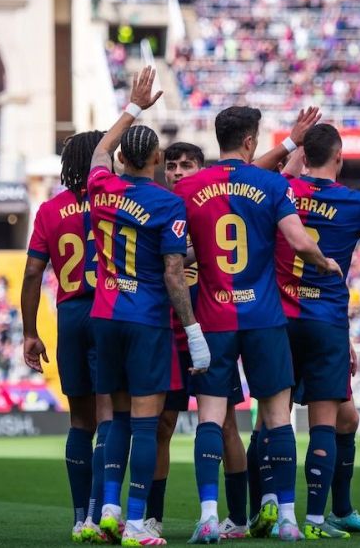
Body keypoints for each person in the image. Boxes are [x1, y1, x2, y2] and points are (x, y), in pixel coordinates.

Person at [174, 105, 342, 543]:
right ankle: (287, 517)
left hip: (214, 317)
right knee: (277, 419)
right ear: (250, 140)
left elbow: (179, 252)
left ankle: (209, 516)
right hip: (265, 319)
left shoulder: (190, 186)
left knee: (210, 419)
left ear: (219, 138)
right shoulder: (271, 183)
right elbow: (297, 238)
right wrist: (322, 262)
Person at [272, 124, 360, 538]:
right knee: (324, 422)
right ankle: (316, 521)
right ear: (339, 157)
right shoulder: (353, 202)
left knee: (300, 420)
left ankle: (301, 511)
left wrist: (291, 159)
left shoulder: (280, 192)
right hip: (324, 323)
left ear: (304, 154)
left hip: (278, 320)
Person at [89, 67, 211, 547]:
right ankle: (138, 524)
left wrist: (133, 107)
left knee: (116, 419)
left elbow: (99, 150)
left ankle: (111, 510)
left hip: (105, 314)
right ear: (159, 158)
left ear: (121, 159)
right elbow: (173, 273)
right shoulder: (166, 204)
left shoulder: (101, 185)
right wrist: (194, 331)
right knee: (145, 422)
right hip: (146, 320)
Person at [144, 141, 249, 541]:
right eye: (171, 166)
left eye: (187, 165)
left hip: (210, 332)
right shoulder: (155, 209)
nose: (178, 172)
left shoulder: (211, 210)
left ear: (201, 170)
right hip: (168, 336)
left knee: (225, 425)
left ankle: (236, 517)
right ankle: (154, 516)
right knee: (162, 427)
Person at [22, 129, 114, 543]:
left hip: (70, 313)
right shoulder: (115, 201)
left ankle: (80, 518)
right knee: (111, 417)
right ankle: (101, 514)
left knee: (80, 422)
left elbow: (31, 274)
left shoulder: (49, 211)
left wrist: (29, 332)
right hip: (110, 310)